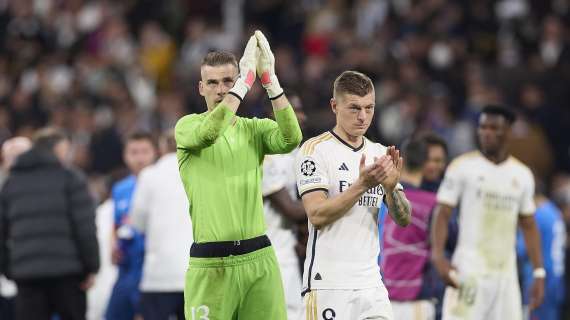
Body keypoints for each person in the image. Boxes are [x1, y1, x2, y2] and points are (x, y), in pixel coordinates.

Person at [175, 31, 302, 319]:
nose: (221, 90)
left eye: (227, 81)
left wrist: (270, 80)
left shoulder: (254, 129)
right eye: (213, 83)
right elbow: (210, 132)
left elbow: (291, 138)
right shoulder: (186, 127)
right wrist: (242, 85)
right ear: (200, 88)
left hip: (259, 257)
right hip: (211, 263)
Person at [295, 70, 411, 319]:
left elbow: (403, 219)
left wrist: (391, 189)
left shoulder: (379, 153)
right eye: (354, 108)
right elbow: (316, 214)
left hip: (371, 284)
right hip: (328, 284)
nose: (363, 117)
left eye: (369, 108)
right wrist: (362, 185)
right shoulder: (315, 150)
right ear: (334, 106)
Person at [431, 105, 545, 320]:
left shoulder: (522, 175)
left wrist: (539, 273)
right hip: (468, 272)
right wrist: (437, 255)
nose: (486, 133)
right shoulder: (462, 167)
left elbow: (529, 225)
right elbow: (443, 213)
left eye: (494, 128)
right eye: (483, 127)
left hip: (505, 277)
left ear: (509, 131)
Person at [0, 127, 99, 320]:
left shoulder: (11, 184)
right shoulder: (70, 178)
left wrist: (10, 269)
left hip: (27, 276)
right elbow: (85, 227)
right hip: (68, 274)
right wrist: (91, 267)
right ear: (56, 150)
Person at [129, 130, 192, 320]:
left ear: (161, 148)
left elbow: (137, 223)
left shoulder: (149, 175)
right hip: (194, 272)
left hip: (158, 274)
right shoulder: (199, 172)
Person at [381, 138, 439, 320]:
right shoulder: (434, 204)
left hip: (380, 297)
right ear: (425, 164)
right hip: (418, 299)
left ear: (401, 161)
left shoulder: (379, 199)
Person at [262, 93, 307, 320]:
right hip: (273, 250)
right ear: (274, 115)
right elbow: (290, 209)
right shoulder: (265, 154)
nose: (302, 117)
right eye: (296, 111)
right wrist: (334, 202)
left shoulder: (297, 153)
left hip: (290, 247)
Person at [106, 132, 157, 320]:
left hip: (151, 267)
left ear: (155, 153)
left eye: (145, 151)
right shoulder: (120, 189)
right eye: (134, 152)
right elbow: (116, 223)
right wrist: (112, 245)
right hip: (126, 269)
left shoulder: (164, 185)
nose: (140, 158)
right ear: (125, 156)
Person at [516, 188, 566, 320]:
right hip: (557, 278)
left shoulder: (537, 215)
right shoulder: (555, 212)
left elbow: (521, 250)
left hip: (540, 280)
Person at [0, 137, 32, 320]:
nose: (15, 161)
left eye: (21, 156)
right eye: (10, 156)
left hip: (38, 274)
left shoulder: (49, 188)